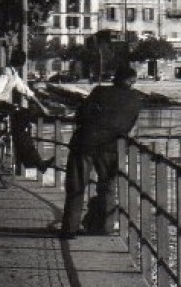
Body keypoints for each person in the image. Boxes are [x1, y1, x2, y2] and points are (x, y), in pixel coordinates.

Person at [59, 66, 145, 238]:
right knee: (107, 187)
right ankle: (105, 228)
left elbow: (81, 114)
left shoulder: (99, 91)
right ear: (132, 81)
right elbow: (132, 126)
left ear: (115, 78)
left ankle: (70, 228)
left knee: (76, 186)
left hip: (85, 143)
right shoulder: (137, 98)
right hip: (111, 147)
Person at [0, 49, 55, 174]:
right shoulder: (7, 73)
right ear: (22, 63)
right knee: (23, 120)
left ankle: (32, 160)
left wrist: (39, 105)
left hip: (1, 105)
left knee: (20, 129)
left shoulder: (12, 73)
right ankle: (32, 160)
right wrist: (41, 107)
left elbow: (25, 90)